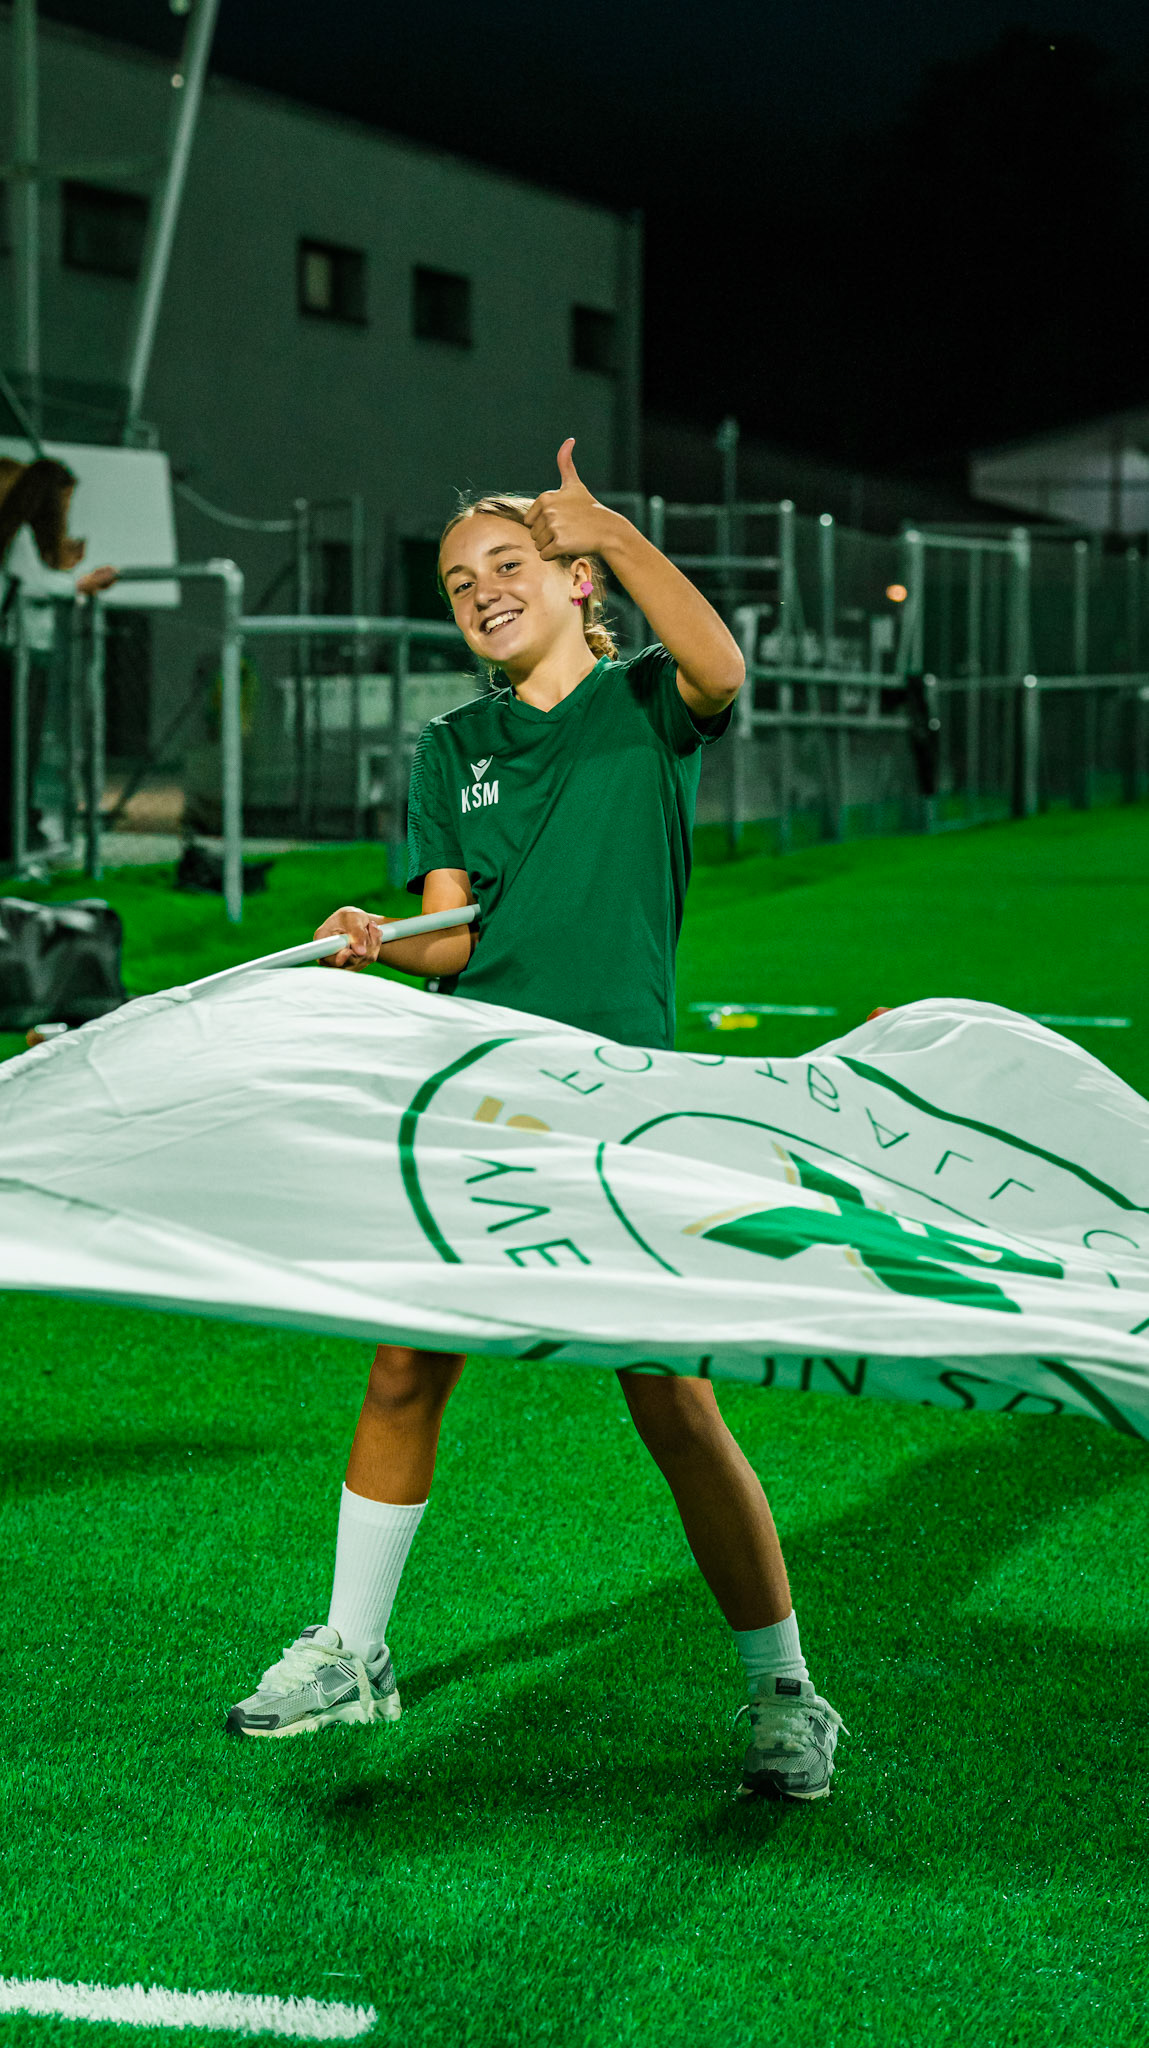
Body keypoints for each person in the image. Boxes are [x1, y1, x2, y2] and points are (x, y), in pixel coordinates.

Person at [226, 441, 846, 1802]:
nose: (483, 592)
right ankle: (353, 1650)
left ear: (574, 581)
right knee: (404, 1370)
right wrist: (376, 939)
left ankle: (785, 1691)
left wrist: (614, 527)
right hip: (483, 1096)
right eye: (459, 583)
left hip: (621, 1112)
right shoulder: (451, 746)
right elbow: (458, 936)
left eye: (510, 565)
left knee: (670, 1398)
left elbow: (724, 670)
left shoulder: (642, 701)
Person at [0, 458, 117, 878]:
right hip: (10, 662)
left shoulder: (8, 536)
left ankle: (3, 842)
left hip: (10, 660)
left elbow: (28, 581)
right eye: (65, 499)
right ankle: (7, 848)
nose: (68, 510)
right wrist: (78, 584)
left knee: (2, 754)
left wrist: (65, 574)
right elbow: (31, 585)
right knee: (9, 756)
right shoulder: (15, 536)